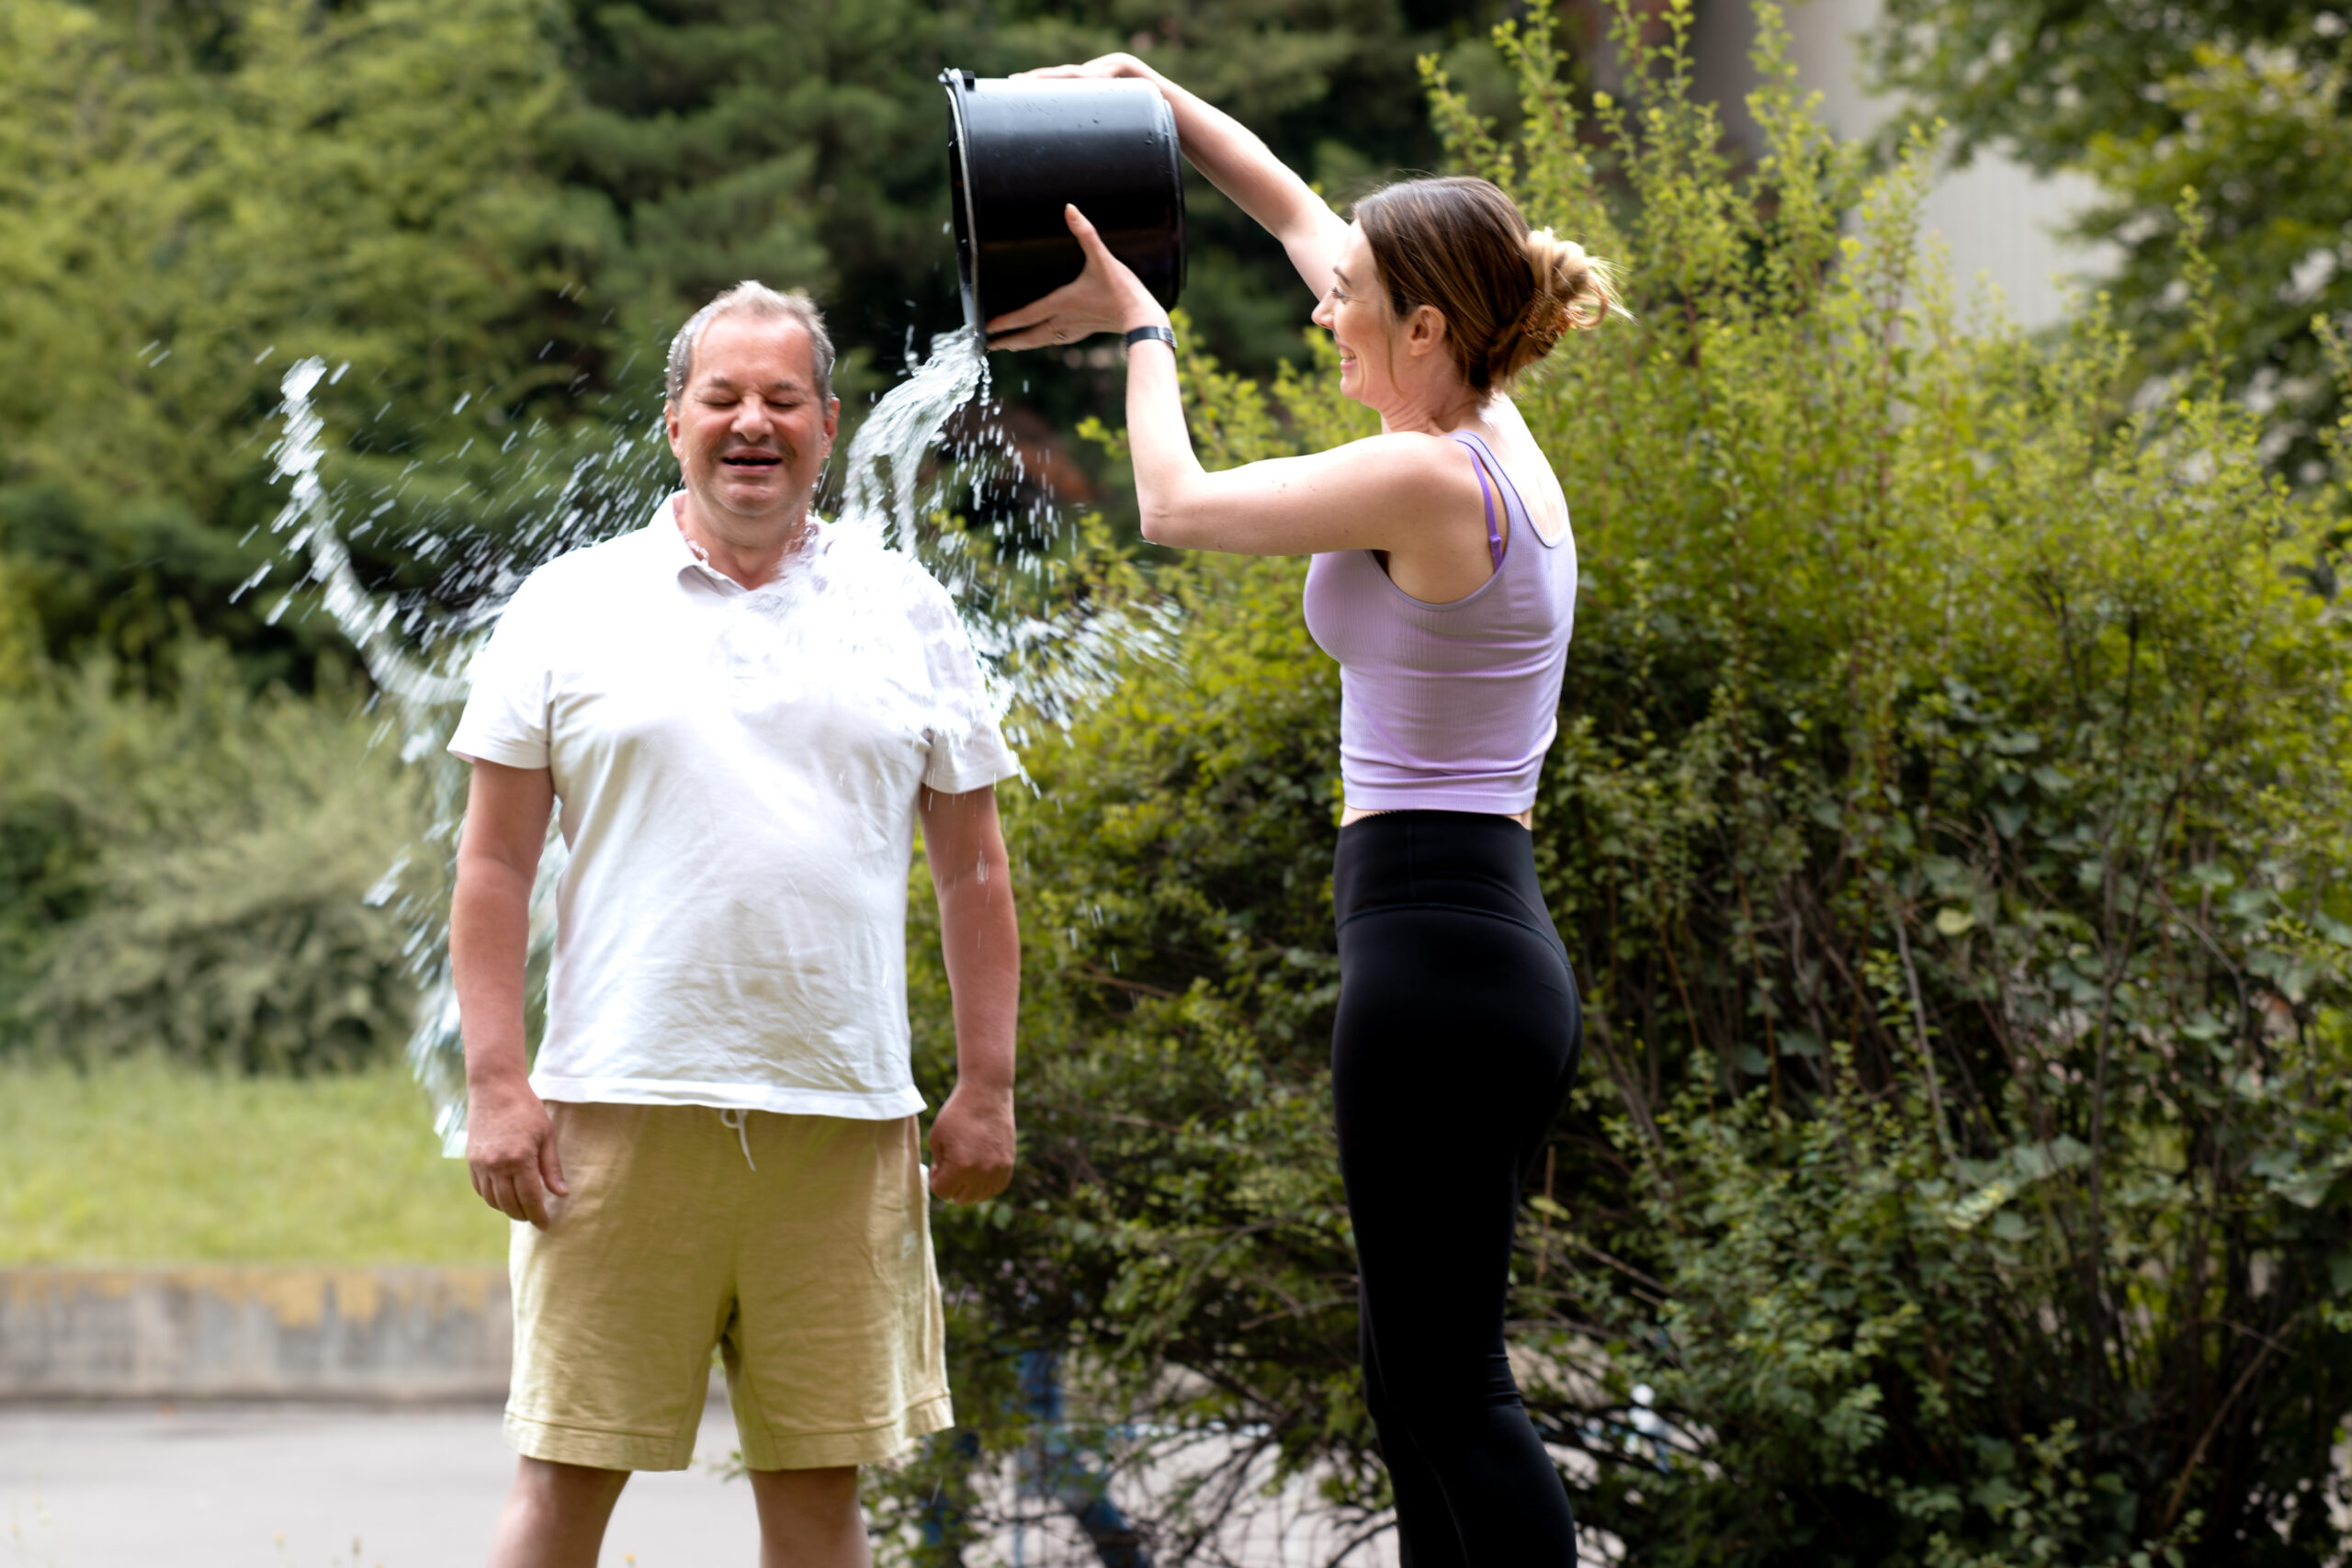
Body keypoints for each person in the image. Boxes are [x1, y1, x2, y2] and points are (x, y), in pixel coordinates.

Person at [989, 57, 1611, 1567]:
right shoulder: (1488, 431)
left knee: (1452, 1392)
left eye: (1355, 301)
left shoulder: (1431, 479)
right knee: (1416, 1389)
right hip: (1469, 958)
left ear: (1428, 327)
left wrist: (1141, 331)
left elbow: (1177, 508)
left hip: (1438, 969)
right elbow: (1286, 209)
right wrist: (1153, 99)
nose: (1324, 308)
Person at [447, 281, 1023, 1568]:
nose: (750, 423)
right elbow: (492, 862)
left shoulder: (907, 608)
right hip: (609, 1114)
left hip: (842, 1120)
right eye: (722, 397)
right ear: (674, 423)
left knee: (820, 1501)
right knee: (563, 1484)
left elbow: (974, 869)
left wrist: (986, 1082)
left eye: (781, 399)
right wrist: (497, 1084)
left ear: (828, 422)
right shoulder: (568, 604)